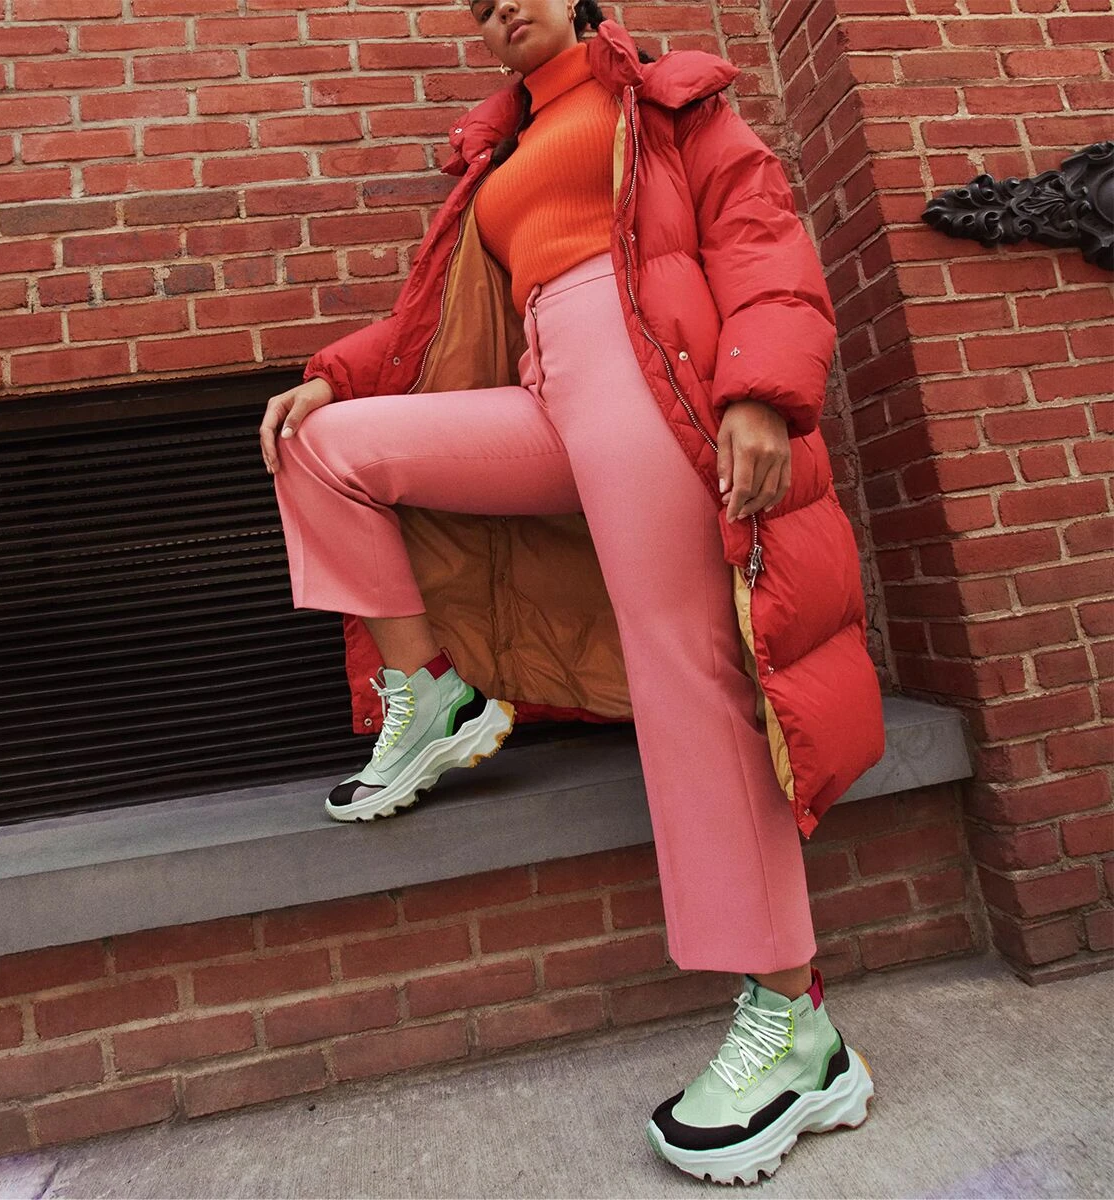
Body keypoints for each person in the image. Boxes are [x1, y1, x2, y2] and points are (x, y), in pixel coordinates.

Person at [260, 0, 884, 1185]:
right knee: (323, 450)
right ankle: (431, 693)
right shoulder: (491, 153)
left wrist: (762, 391)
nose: (498, 3)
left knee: (687, 671)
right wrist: (332, 376)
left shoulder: (663, 97)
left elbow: (761, 238)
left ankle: (797, 1026)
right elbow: (432, 321)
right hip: (545, 382)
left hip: (644, 364)